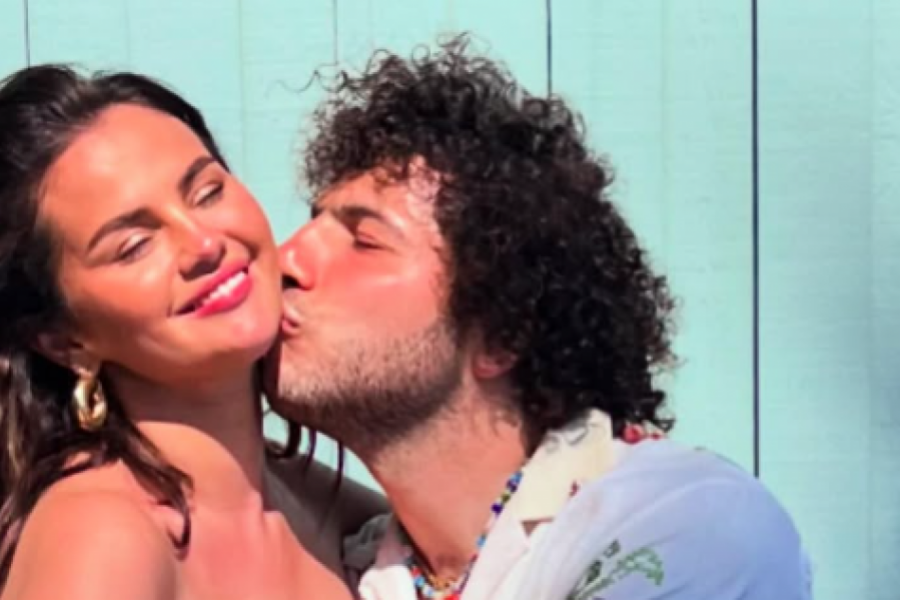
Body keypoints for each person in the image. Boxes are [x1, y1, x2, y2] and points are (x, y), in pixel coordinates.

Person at [269, 37, 812, 599]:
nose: (286, 258)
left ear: (501, 334)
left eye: (364, 240)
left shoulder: (683, 524)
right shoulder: (364, 574)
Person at [0, 65, 379, 600]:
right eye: (134, 246)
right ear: (64, 340)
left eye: (207, 192)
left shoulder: (329, 508)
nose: (203, 243)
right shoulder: (98, 535)